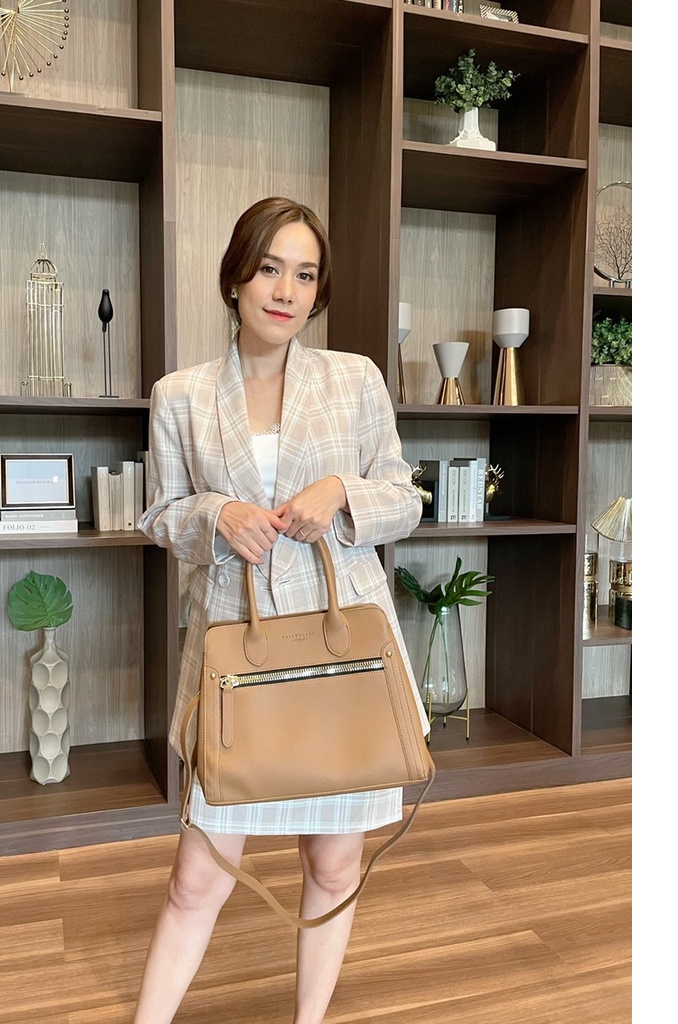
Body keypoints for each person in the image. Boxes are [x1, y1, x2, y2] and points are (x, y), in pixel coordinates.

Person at [134, 196, 430, 1024]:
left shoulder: (355, 379)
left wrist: (341, 493)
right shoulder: (181, 395)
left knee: (333, 869)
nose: (285, 291)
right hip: (238, 660)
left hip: (342, 661)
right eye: (269, 268)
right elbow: (160, 515)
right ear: (236, 277)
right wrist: (215, 515)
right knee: (196, 879)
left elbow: (405, 499)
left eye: (304, 274)